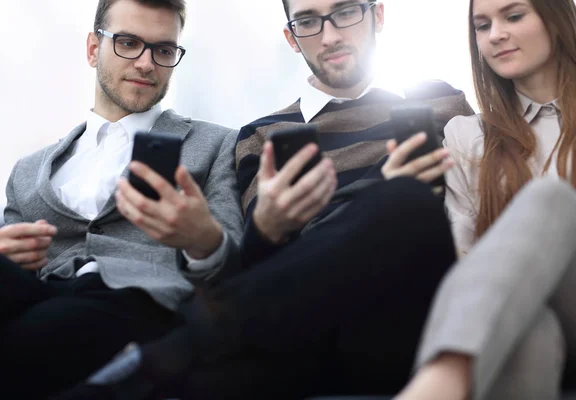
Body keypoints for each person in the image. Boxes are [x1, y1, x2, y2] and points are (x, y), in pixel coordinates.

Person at [55, 1, 475, 398]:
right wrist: (267, 228)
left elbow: (487, 195)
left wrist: (384, 190)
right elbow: (258, 271)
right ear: (292, 38)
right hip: (302, 327)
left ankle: (168, 354)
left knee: (406, 201)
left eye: (345, 13)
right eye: (308, 21)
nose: (329, 36)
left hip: (407, 313)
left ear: (376, 15)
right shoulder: (262, 135)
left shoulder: (439, 101)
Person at [0, 0, 243, 397]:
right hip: (41, 293)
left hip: (139, 302)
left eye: (163, 50)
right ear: (94, 49)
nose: (147, 63)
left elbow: (232, 259)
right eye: (128, 43)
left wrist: (203, 239)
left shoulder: (216, 144)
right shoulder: (28, 169)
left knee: (31, 336)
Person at [398, 0, 576, 399]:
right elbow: (464, 257)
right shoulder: (465, 136)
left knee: (549, 200)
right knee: (527, 332)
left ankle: (438, 385)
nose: (495, 35)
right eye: (481, 25)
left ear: (556, 17)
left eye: (513, 16)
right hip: (529, 318)